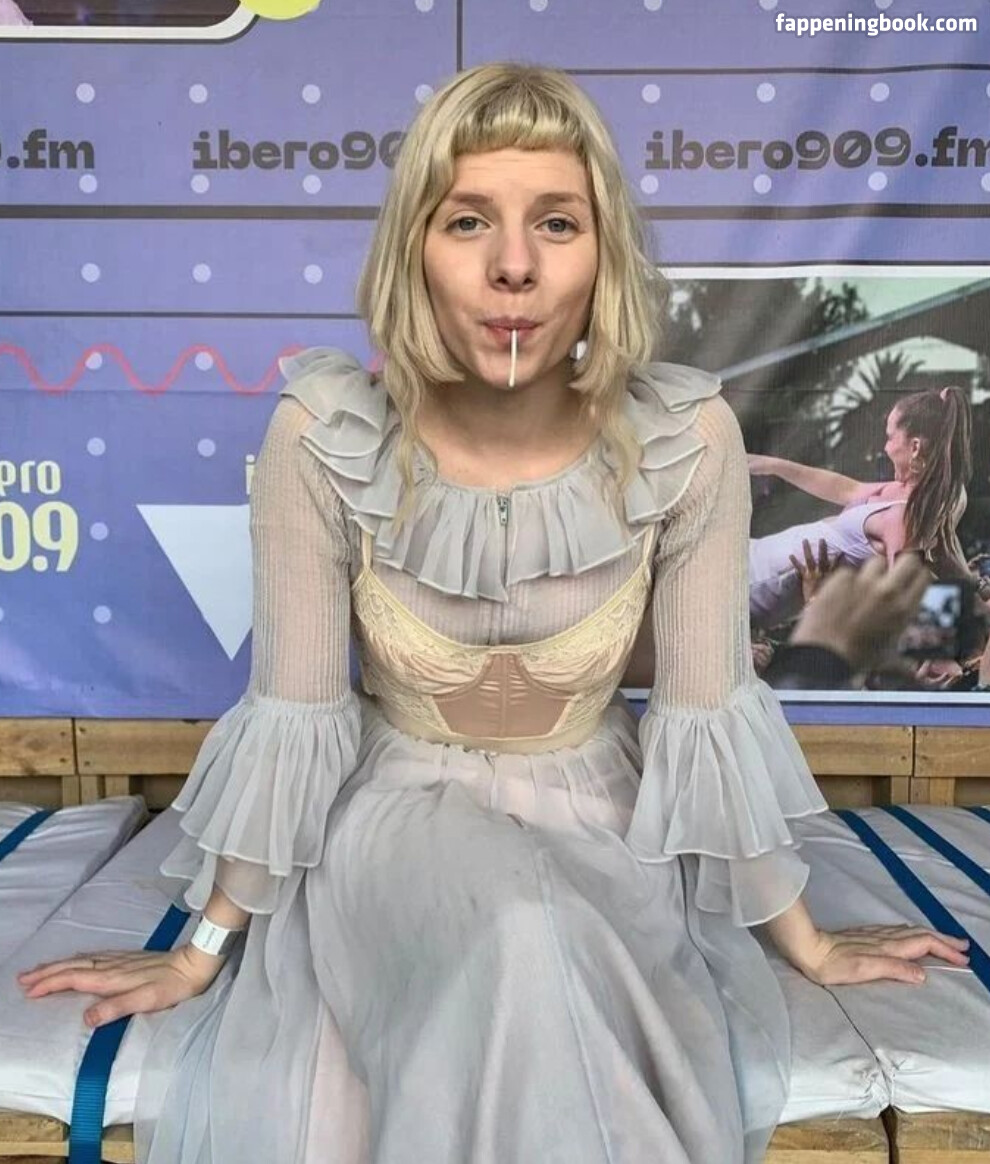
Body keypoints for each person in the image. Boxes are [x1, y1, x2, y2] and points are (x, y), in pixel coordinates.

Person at [15, 63, 970, 1164]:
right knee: (518, 933)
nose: (513, 265)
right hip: (390, 818)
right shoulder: (323, 437)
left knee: (548, 939)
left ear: (604, 253)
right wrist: (200, 951)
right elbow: (294, 721)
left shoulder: (688, 439)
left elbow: (709, 714)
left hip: (611, 828)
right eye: (468, 220)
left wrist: (803, 941)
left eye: (556, 222)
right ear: (413, 248)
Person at [748, 386, 972, 628]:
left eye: (890, 437)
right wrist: (772, 465)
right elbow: (846, 488)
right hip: (756, 557)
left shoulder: (904, 518)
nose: (885, 447)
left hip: (757, 583)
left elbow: (904, 598)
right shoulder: (903, 491)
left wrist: (815, 600)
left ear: (915, 447)